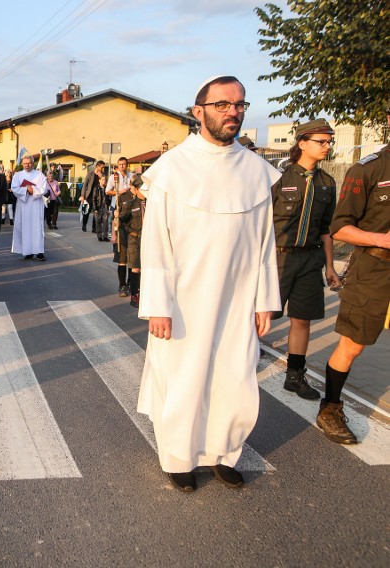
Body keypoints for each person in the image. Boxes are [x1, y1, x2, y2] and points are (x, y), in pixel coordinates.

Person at [136, 75, 281, 492]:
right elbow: (156, 243)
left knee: (234, 375)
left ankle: (223, 451)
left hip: (237, 298)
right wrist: (158, 305)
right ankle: (179, 456)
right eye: (222, 104)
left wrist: (264, 300)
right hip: (183, 298)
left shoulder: (256, 170)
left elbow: (264, 243)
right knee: (185, 376)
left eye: (239, 104)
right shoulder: (172, 168)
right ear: (198, 110)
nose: (232, 111)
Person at [317, 104, 390, 445]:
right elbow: (341, 228)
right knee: (352, 346)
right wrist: (381, 239)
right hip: (374, 270)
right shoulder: (368, 170)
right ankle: (330, 407)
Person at [271, 119, 340, 400]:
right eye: (321, 141)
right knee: (261, 315)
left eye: (329, 141)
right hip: (277, 259)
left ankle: (295, 375)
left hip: (310, 260)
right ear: (302, 142)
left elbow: (326, 230)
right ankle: (242, 365)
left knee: (303, 319)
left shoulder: (327, 183)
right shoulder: (278, 178)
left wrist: (331, 267)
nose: (327, 146)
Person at [11, 154, 48, 261]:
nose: (27, 165)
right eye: (25, 163)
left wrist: (33, 190)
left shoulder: (39, 175)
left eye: (29, 163)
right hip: (24, 205)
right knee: (26, 228)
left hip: (36, 206)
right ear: (22, 164)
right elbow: (14, 188)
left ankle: (39, 252)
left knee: (37, 228)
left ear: (33, 163)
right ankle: (28, 252)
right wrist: (26, 190)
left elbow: (44, 189)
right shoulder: (18, 175)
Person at [119, 174, 146, 308]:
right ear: (135, 189)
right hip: (134, 239)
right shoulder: (130, 204)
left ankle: (146, 294)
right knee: (136, 267)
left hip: (148, 239)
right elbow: (121, 221)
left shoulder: (152, 204)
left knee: (147, 269)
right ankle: (135, 295)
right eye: (141, 187)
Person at [79, 160, 105, 232]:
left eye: (103, 167)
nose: (102, 169)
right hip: (89, 195)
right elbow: (85, 185)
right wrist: (83, 195)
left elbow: (104, 184)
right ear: (97, 166)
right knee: (87, 211)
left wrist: (101, 177)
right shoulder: (90, 174)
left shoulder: (102, 175)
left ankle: (94, 228)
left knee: (96, 212)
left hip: (98, 196)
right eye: (101, 167)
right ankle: (84, 224)